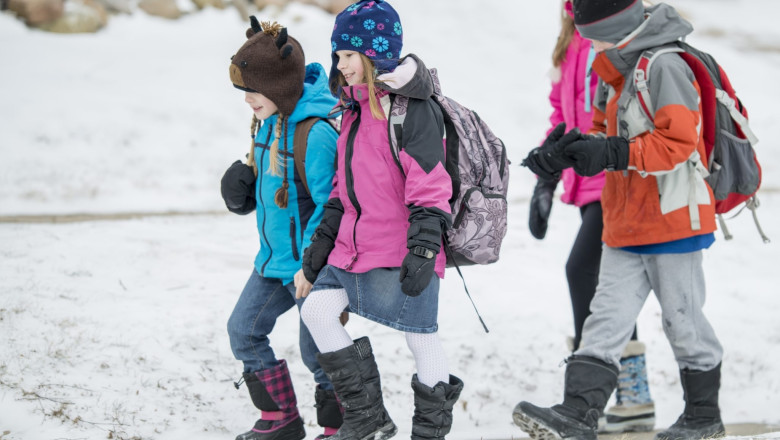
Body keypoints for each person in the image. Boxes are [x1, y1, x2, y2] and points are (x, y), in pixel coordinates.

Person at [515, 1, 725, 440]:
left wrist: (613, 152)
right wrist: (565, 152)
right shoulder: (616, 67)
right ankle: (577, 413)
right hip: (624, 219)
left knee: (682, 322)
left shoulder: (665, 66)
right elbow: (601, 130)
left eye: (595, 36)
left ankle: (703, 416)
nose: (590, 47)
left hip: (673, 222)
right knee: (604, 321)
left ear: (617, 26)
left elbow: (680, 143)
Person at [298, 1, 464, 439]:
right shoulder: (351, 110)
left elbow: (431, 186)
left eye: (348, 56)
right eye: (338, 56)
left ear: (375, 54)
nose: (341, 65)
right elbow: (341, 189)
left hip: (403, 247)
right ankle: (368, 418)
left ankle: (429, 433)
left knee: (421, 338)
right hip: (353, 246)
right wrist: (321, 243)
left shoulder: (413, 109)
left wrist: (425, 247)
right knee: (316, 310)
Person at [524, 0, 654, 433]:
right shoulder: (571, 38)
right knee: (605, 281)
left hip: (618, 174)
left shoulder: (616, 24)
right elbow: (562, 115)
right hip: (587, 183)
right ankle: (632, 397)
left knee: (583, 272)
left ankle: (592, 396)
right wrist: (547, 174)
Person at [221, 18, 342, 440]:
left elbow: (333, 206)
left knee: (320, 352)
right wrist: (242, 193)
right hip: (274, 263)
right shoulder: (269, 122)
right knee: (244, 330)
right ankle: (281, 418)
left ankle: (338, 428)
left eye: (252, 90)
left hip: (314, 267)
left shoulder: (316, 132)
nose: (247, 100)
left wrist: (310, 267)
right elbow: (278, 192)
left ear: (279, 85)